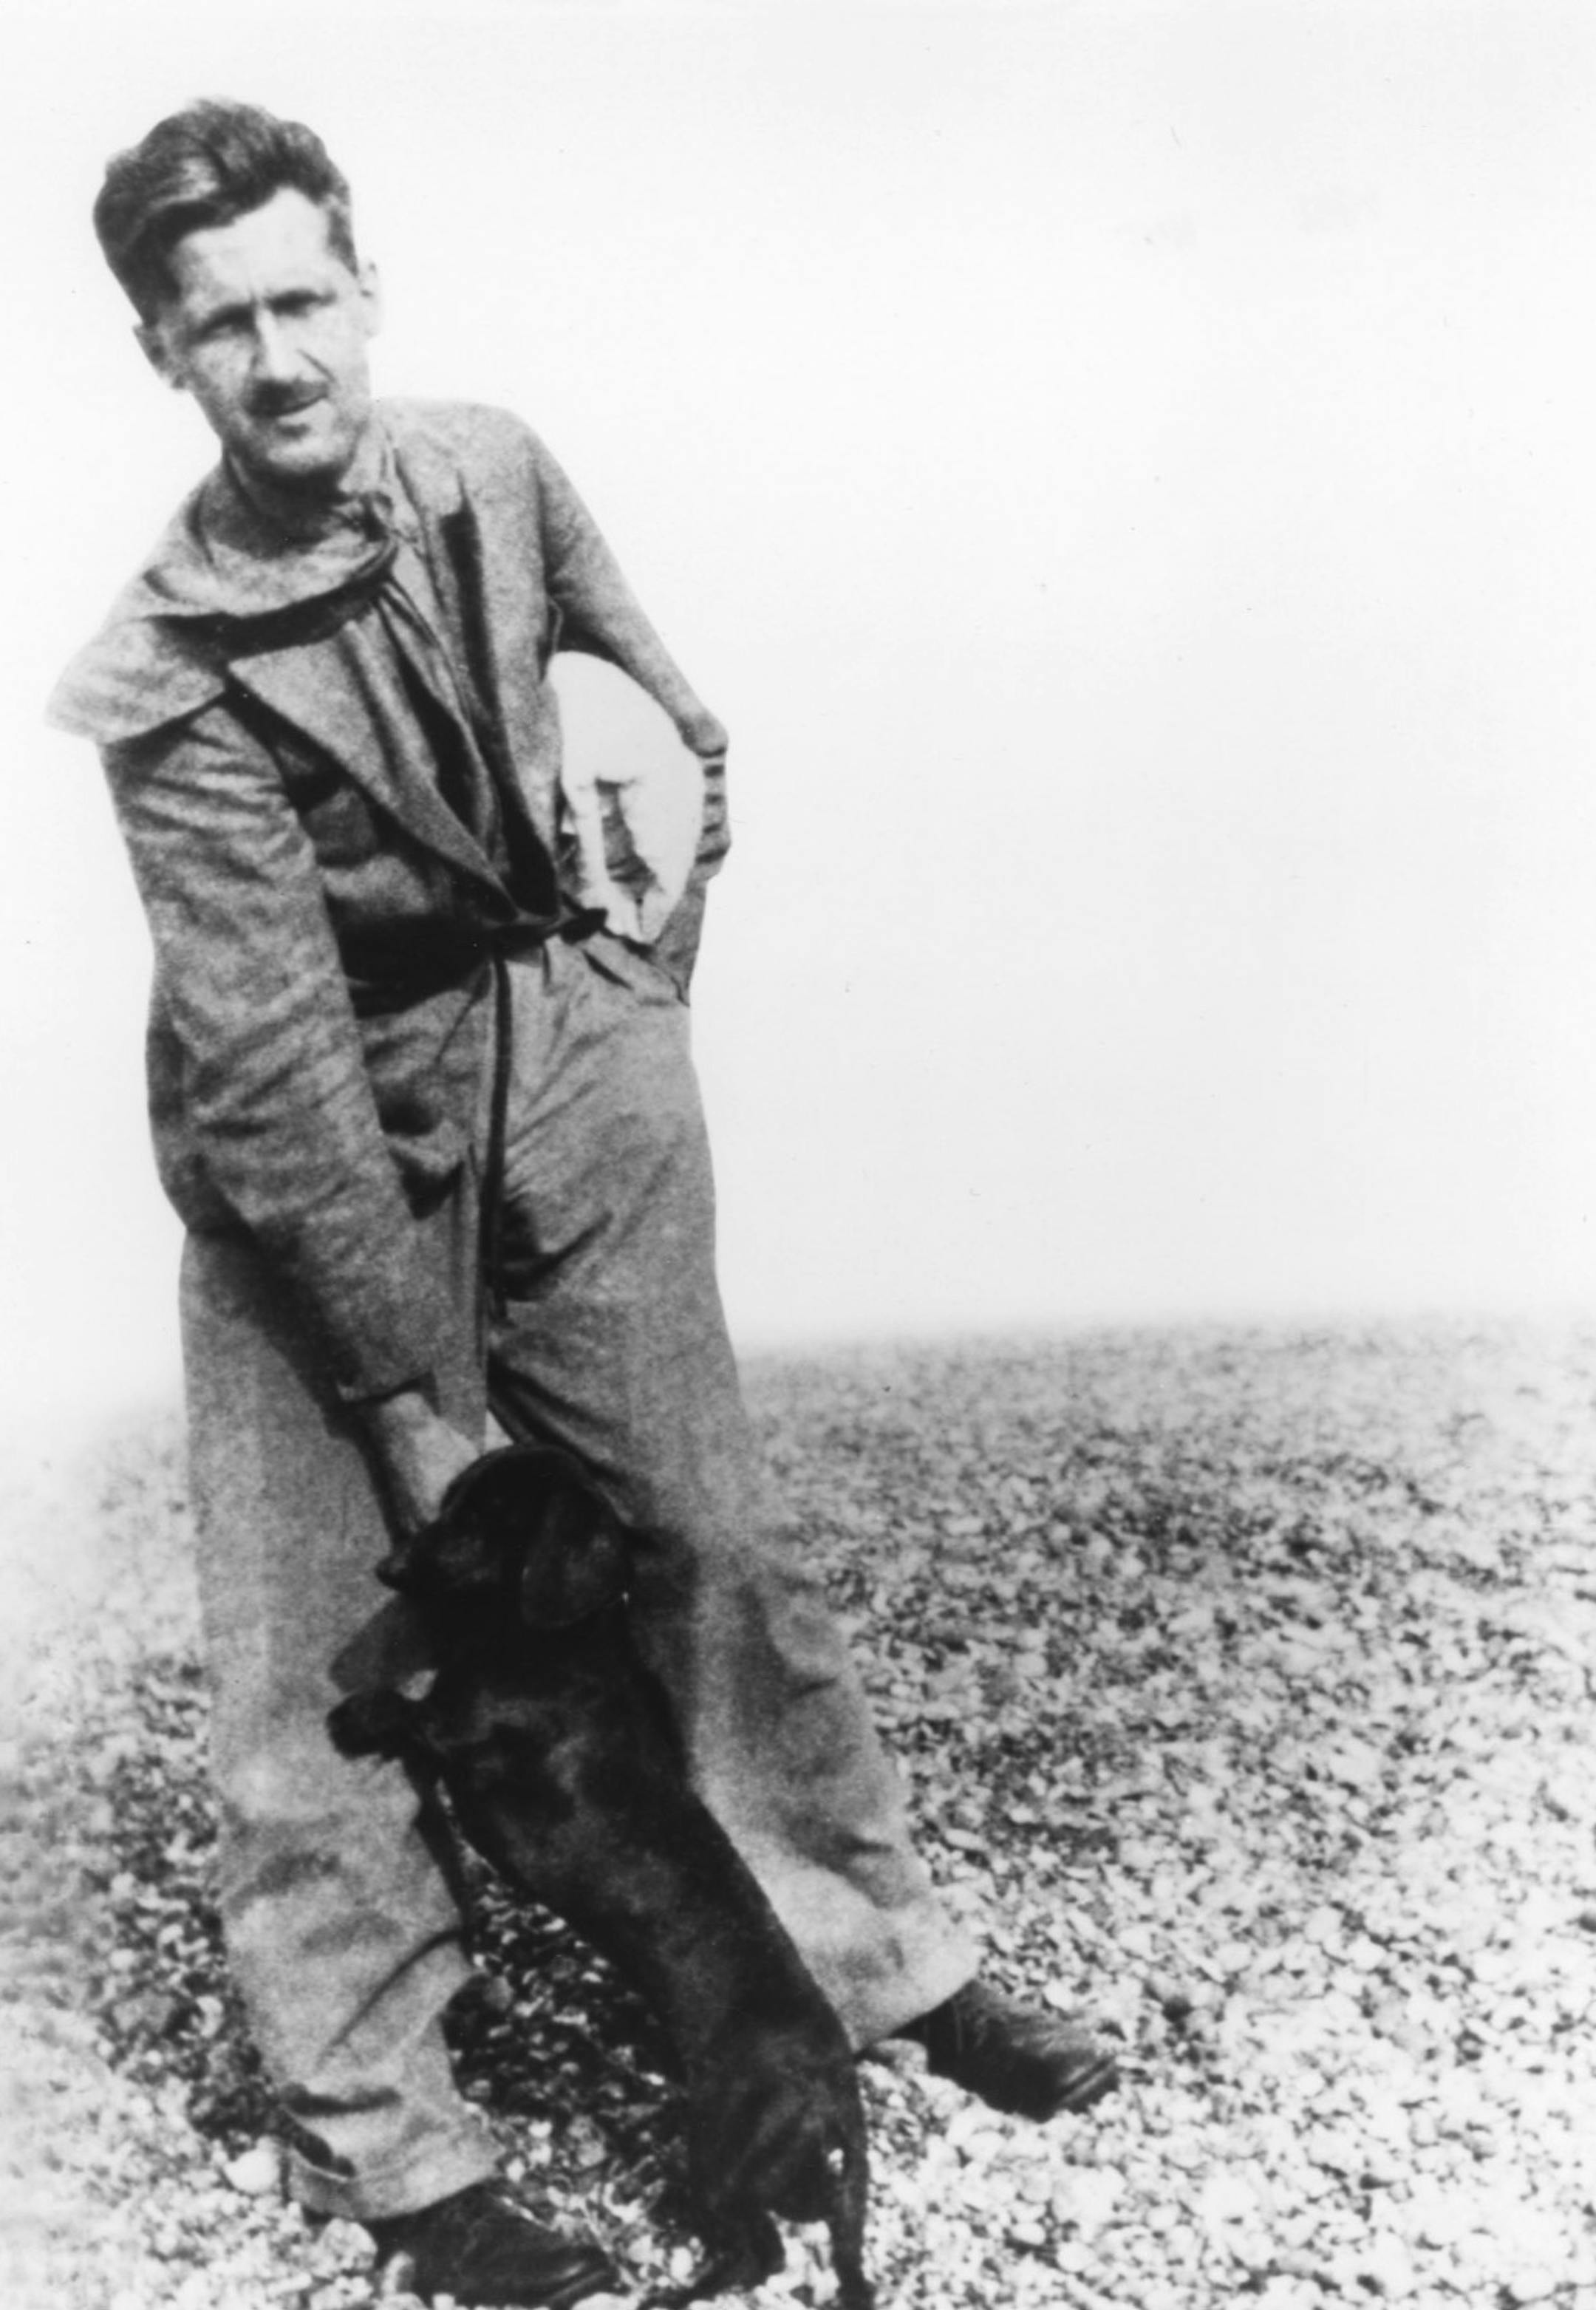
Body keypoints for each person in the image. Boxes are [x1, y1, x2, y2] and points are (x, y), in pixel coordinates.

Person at [50, 100, 1119, 2310]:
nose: (279, 358)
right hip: (313, 1151)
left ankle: (879, 1965)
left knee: (705, 1534)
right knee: (321, 1659)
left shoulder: (498, 468)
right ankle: (393, 2144)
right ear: (161, 353)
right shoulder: (167, 678)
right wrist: (403, 1399)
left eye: (305, 299)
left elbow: (672, 726)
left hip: (567, 1064)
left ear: (368, 288)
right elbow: (271, 1056)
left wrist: (635, 998)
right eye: (221, 324)